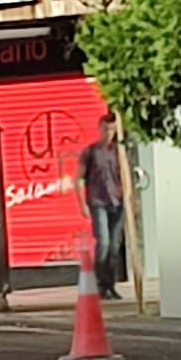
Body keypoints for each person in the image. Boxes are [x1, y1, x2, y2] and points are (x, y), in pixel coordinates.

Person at [77, 113, 126, 300]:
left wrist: (130, 201)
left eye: (112, 129)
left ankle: (110, 285)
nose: (109, 133)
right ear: (99, 129)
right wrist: (82, 203)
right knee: (103, 242)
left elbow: (126, 177)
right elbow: (79, 179)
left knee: (114, 245)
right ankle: (100, 283)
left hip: (117, 201)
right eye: (106, 129)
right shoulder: (90, 152)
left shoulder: (119, 152)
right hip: (98, 201)